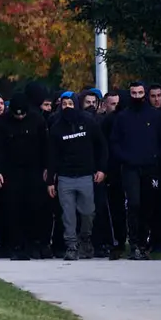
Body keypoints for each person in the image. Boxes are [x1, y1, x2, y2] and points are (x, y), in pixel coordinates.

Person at [110, 81, 161, 260]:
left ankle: (143, 243)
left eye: (140, 93)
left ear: (144, 94)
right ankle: (134, 244)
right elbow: (114, 142)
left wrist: (156, 156)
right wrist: (124, 157)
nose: (137, 96)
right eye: (134, 93)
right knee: (134, 204)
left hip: (150, 168)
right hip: (130, 168)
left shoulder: (155, 116)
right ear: (129, 94)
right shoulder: (123, 117)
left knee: (148, 206)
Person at [47, 92, 108, 260]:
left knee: (88, 212)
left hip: (86, 176)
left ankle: (85, 239)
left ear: (76, 104)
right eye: (64, 104)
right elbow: (52, 156)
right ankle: (71, 246)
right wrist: (50, 180)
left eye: (70, 103)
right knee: (68, 214)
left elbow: (101, 147)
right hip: (65, 177)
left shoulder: (89, 122)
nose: (67, 107)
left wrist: (102, 169)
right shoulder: (56, 127)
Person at [0, 91, 47, 260]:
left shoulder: (37, 120)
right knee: (13, 208)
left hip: (34, 170)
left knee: (35, 207)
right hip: (11, 171)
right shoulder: (2, 123)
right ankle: (15, 245)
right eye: (17, 114)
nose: (20, 117)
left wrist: (47, 168)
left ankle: (33, 245)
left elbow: (45, 145)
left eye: (23, 114)